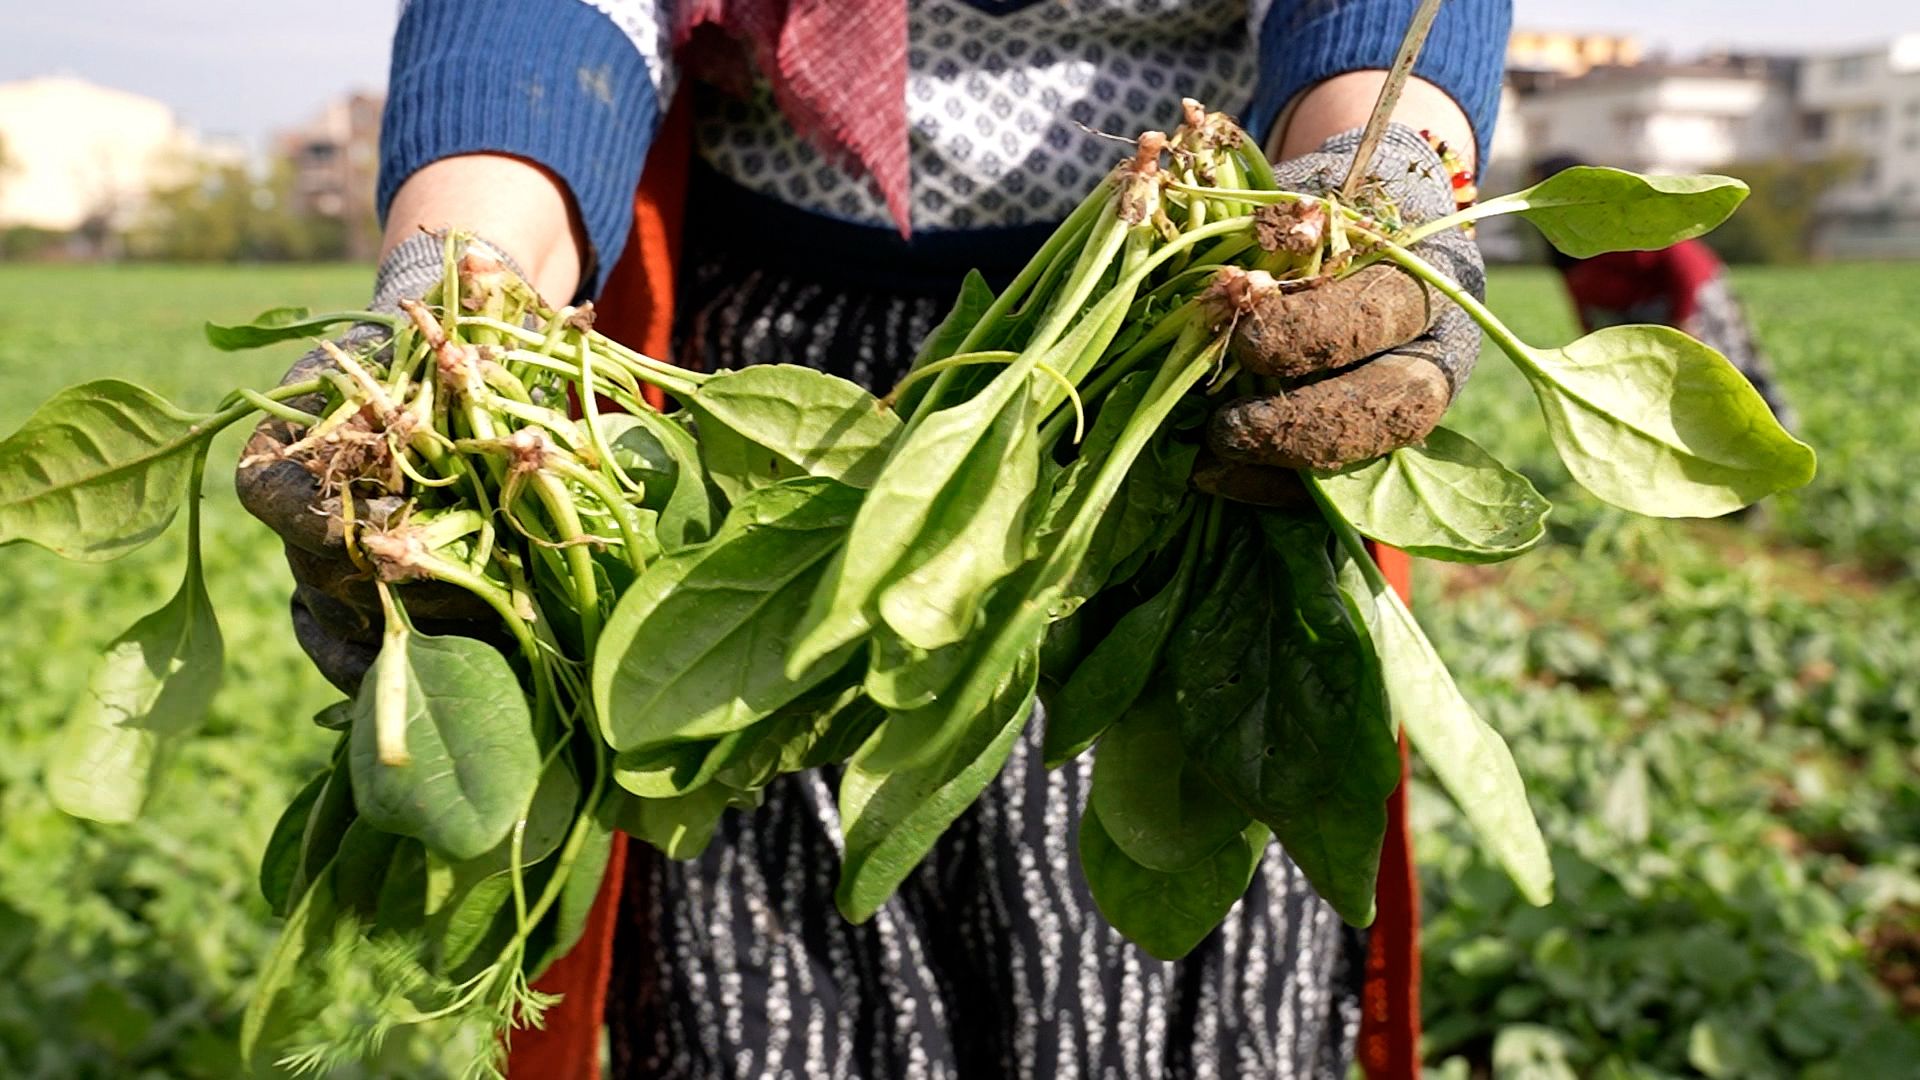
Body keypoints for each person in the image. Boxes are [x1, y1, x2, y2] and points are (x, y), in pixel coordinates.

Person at [237, 2, 1510, 1076]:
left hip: (1178, 372)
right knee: (761, 972)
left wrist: (1378, 172)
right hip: (764, 411)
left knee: (1158, 933)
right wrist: (461, 287)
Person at [1533, 153, 1796, 434]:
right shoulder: (1558, 240)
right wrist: (1589, 341)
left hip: (1693, 296)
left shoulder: (1613, 221)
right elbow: (1577, 292)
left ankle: (1776, 430)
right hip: (1631, 313)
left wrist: (1684, 320)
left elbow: (1684, 262)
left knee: (1726, 366)